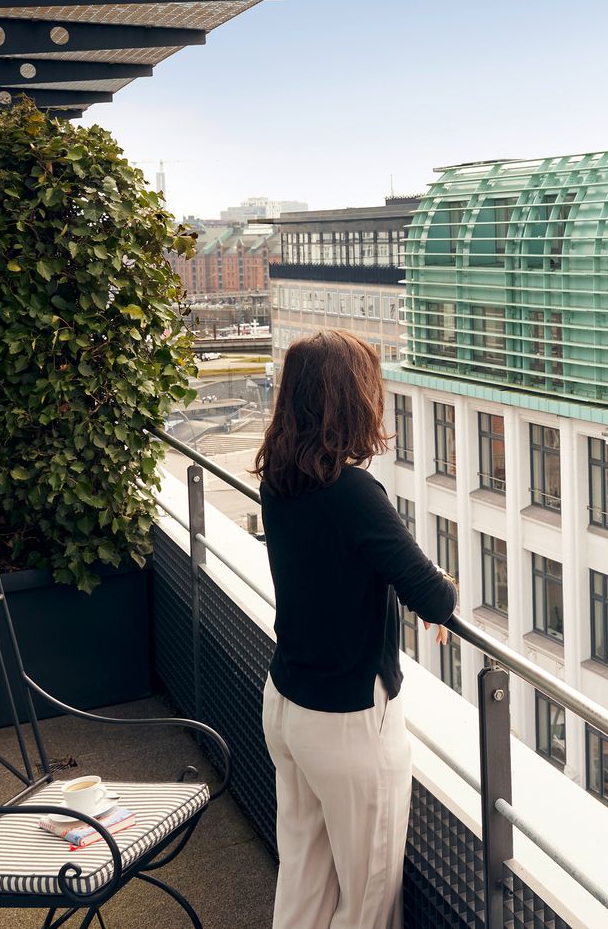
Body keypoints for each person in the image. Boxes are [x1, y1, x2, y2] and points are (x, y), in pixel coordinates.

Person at [253, 330, 457, 929]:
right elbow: (434, 595)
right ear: (350, 398)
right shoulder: (352, 493)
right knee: (367, 901)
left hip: (289, 704)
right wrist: (438, 583)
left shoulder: (280, 479)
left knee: (303, 881)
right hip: (347, 722)